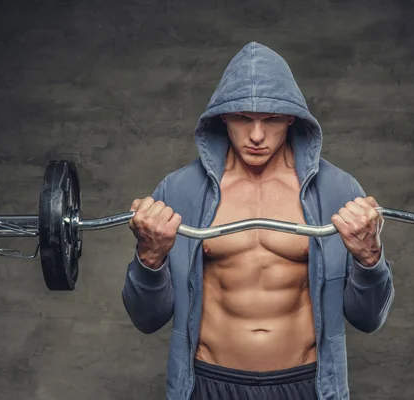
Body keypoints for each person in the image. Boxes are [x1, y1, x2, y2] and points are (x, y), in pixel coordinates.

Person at [122, 41, 395, 400]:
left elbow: (369, 318)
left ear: (292, 118)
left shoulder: (338, 190)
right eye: (242, 118)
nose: (256, 136)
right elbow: (146, 319)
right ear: (222, 116)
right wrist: (150, 259)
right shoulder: (180, 191)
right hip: (209, 384)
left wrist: (369, 259)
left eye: (271, 119)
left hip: (304, 385)